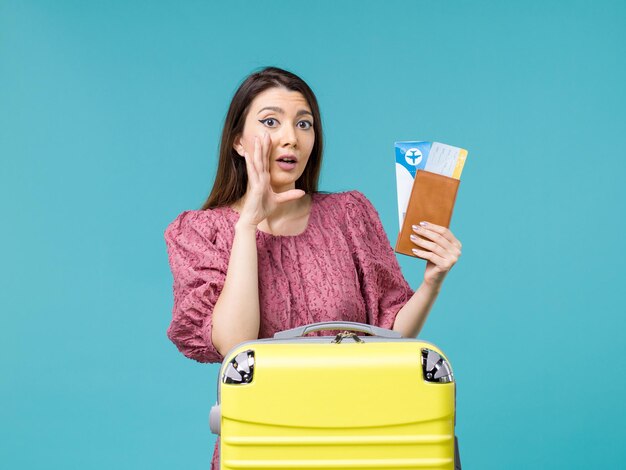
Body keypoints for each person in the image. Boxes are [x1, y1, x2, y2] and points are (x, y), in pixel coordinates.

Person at [164, 66, 462, 469]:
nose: (291, 137)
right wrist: (248, 224)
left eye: (304, 123)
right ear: (237, 140)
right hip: (263, 447)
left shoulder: (349, 214)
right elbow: (236, 345)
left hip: (363, 443)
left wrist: (432, 282)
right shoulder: (201, 232)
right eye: (271, 121)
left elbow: (389, 337)